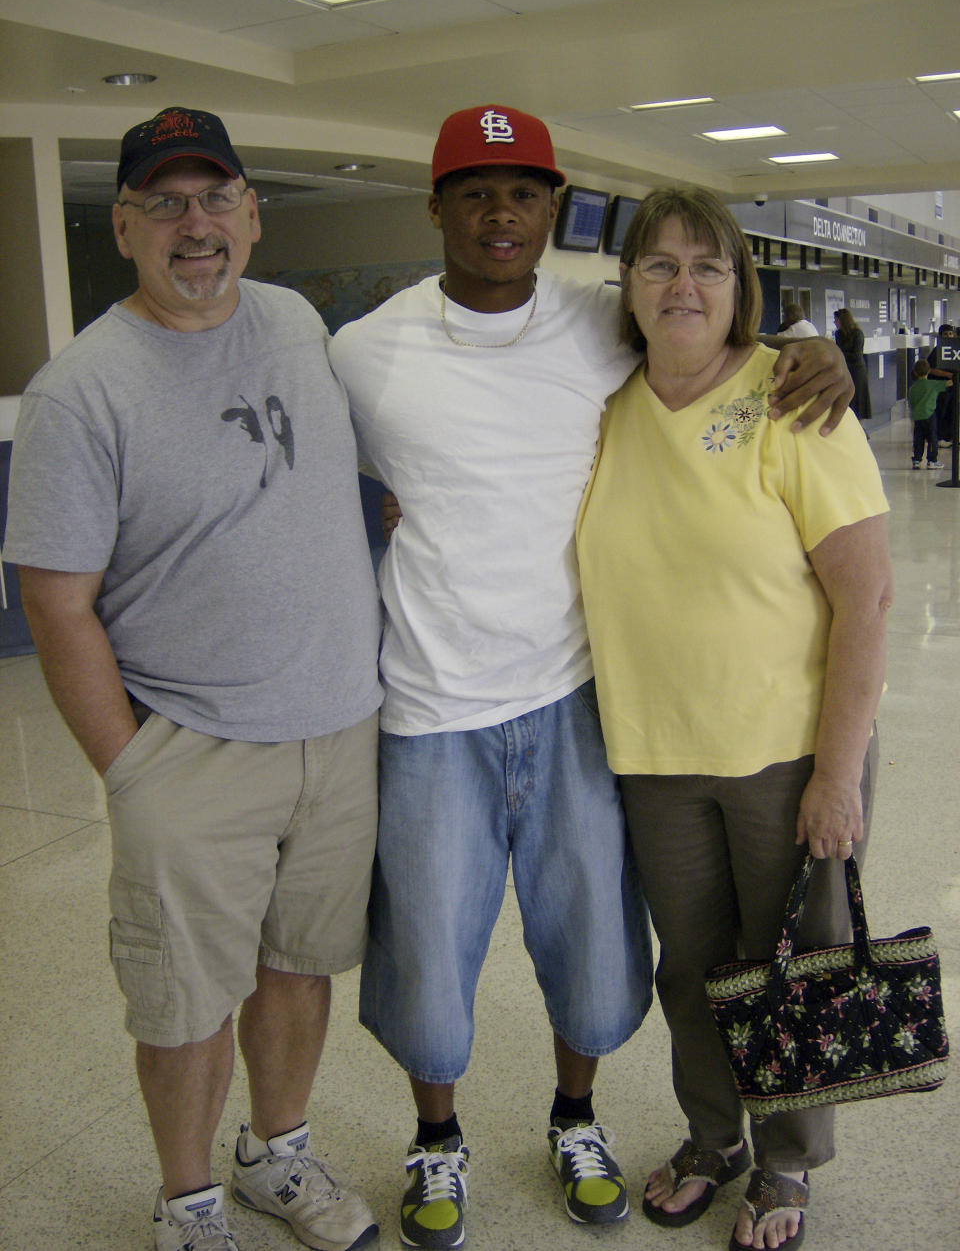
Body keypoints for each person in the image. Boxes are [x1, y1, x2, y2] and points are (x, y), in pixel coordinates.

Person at [328, 104, 855, 1250]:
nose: (501, 211)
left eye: (524, 191)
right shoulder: (364, 353)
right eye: (475, 190)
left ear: (554, 211)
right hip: (428, 706)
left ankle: (579, 1119)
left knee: (597, 950)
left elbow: (708, 329)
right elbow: (327, 480)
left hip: (576, 702)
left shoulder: (592, 324)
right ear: (437, 209)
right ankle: (438, 1142)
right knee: (425, 955)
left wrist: (813, 340)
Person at [3, 107, 383, 1251]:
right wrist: (134, 770)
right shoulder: (85, 388)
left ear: (254, 217)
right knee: (182, 1003)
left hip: (338, 732)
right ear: (123, 226)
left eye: (215, 197)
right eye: (163, 203)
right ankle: (188, 1203)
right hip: (191, 748)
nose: (195, 224)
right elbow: (54, 600)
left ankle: (277, 1157)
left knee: (299, 969)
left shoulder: (297, 323)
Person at [577, 185, 892, 1251]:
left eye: (707, 266)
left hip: (786, 753)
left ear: (741, 287)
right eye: (659, 265)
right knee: (697, 967)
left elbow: (868, 598)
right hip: (657, 756)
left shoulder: (794, 398)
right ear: (625, 287)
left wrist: (839, 776)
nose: (683, 286)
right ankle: (715, 1140)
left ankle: (790, 1161)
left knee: (794, 961)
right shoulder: (607, 411)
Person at [833, 307, 872, 419]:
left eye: (836, 320)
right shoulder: (838, 334)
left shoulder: (857, 333)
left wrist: (841, 354)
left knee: (859, 399)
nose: (835, 322)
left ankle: (859, 425)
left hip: (857, 370)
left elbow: (857, 354)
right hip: (845, 369)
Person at [908, 358, 946, 469]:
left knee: (918, 438)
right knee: (932, 438)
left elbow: (911, 403)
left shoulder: (913, 388)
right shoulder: (933, 384)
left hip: (917, 417)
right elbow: (948, 383)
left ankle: (917, 460)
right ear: (929, 371)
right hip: (930, 416)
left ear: (915, 372)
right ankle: (932, 460)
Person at [923, 322, 957, 445]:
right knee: (941, 410)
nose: (948, 336)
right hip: (940, 387)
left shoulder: (955, 350)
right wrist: (948, 375)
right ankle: (939, 437)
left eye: (950, 334)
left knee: (952, 411)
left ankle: (950, 436)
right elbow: (930, 369)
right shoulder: (938, 351)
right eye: (945, 334)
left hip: (953, 387)